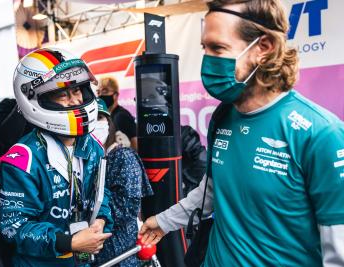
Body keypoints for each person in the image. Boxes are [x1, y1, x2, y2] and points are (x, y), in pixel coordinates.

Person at [139, 1, 344, 266]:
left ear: (264, 48)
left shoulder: (322, 134)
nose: (208, 59)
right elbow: (212, 191)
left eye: (218, 48)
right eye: (205, 48)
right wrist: (163, 221)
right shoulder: (223, 116)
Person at [0, 48, 113, 267]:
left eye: (78, 90)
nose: (74, 100)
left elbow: (101, 194)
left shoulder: (93, 147)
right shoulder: (24, 158)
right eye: (62, 94)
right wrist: (68, 242)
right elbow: (13, 227)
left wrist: (101, 219)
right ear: (37, 99)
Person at [93, 98, 153, 266]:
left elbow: (127, 208)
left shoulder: (123, 156)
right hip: (97, 252)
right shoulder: (92, 160)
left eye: (100, 118)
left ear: (109, 123)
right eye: (91, 120)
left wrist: (93, 219)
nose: (95, 125)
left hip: (121, 253)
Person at [97, 76, 138, 150]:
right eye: (98, 92)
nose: (100, 95)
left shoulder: (121, 116)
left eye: (105, 91)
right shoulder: (108, 116)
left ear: (115, 95)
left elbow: (136, 145)